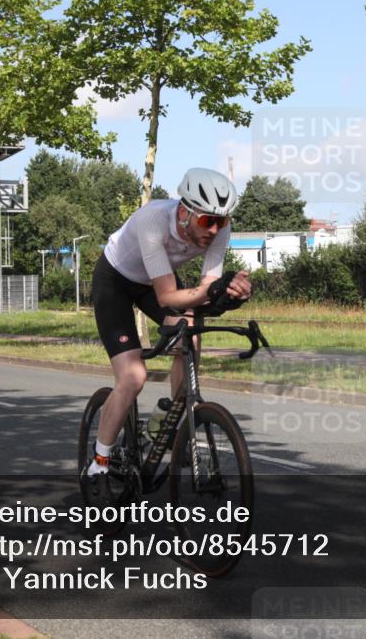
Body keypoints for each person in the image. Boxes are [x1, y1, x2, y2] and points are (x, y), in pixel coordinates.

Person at [87, 168, 253, 495]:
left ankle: (174, 420)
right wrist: (213, 290)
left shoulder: (219, 229)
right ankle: (99, 461)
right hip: (115, 281)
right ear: (184, 212)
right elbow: (167, 297)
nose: (215, 229)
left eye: (221, 221)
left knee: (189, 331)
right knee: (133, 376)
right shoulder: (153, 220)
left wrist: (230, 293)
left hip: (153, 282)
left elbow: (206, 288)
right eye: (207, 220)